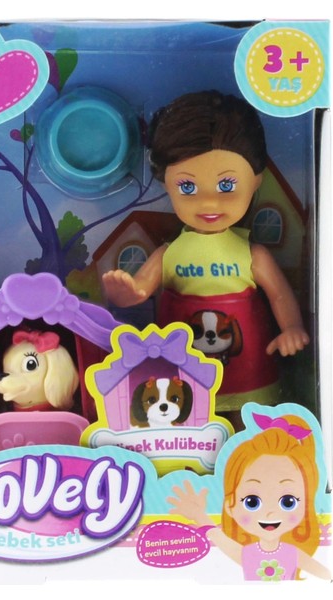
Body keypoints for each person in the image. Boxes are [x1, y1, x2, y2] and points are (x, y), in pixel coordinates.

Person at [102, 91, 309, 429]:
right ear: (167, 185)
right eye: (187, 187)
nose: (209, 202)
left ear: (256, 181)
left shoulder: (251, 253)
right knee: (188, 418)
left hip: (249, 366)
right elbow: (140, 289)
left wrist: (292, 328)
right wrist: (127, 294)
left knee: (247, 421)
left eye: (227, 184)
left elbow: (280, 295)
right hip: (182, 370)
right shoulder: (169, 253)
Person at [167, 412, 331, 581]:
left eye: (288, 502)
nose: (270, 514)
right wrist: (199, 516)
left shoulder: (292, 553)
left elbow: (326, 575)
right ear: (230, 505)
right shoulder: (248, 553)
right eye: (252, 502)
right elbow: (218, 537)